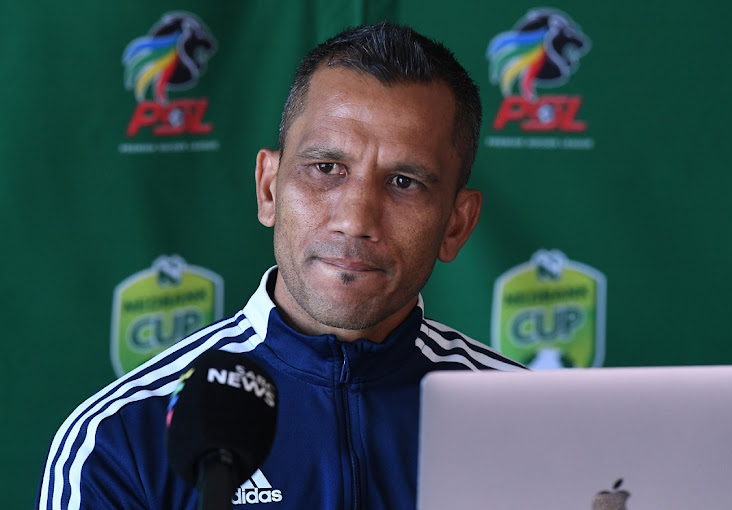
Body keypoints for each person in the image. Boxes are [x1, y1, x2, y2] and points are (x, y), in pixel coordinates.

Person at [37, 21, 525, 510]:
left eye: (403, 182)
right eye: (326, 169)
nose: (355, 220)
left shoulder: (530, 420)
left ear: (457, 224)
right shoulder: (120, 439)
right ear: (269, 188)